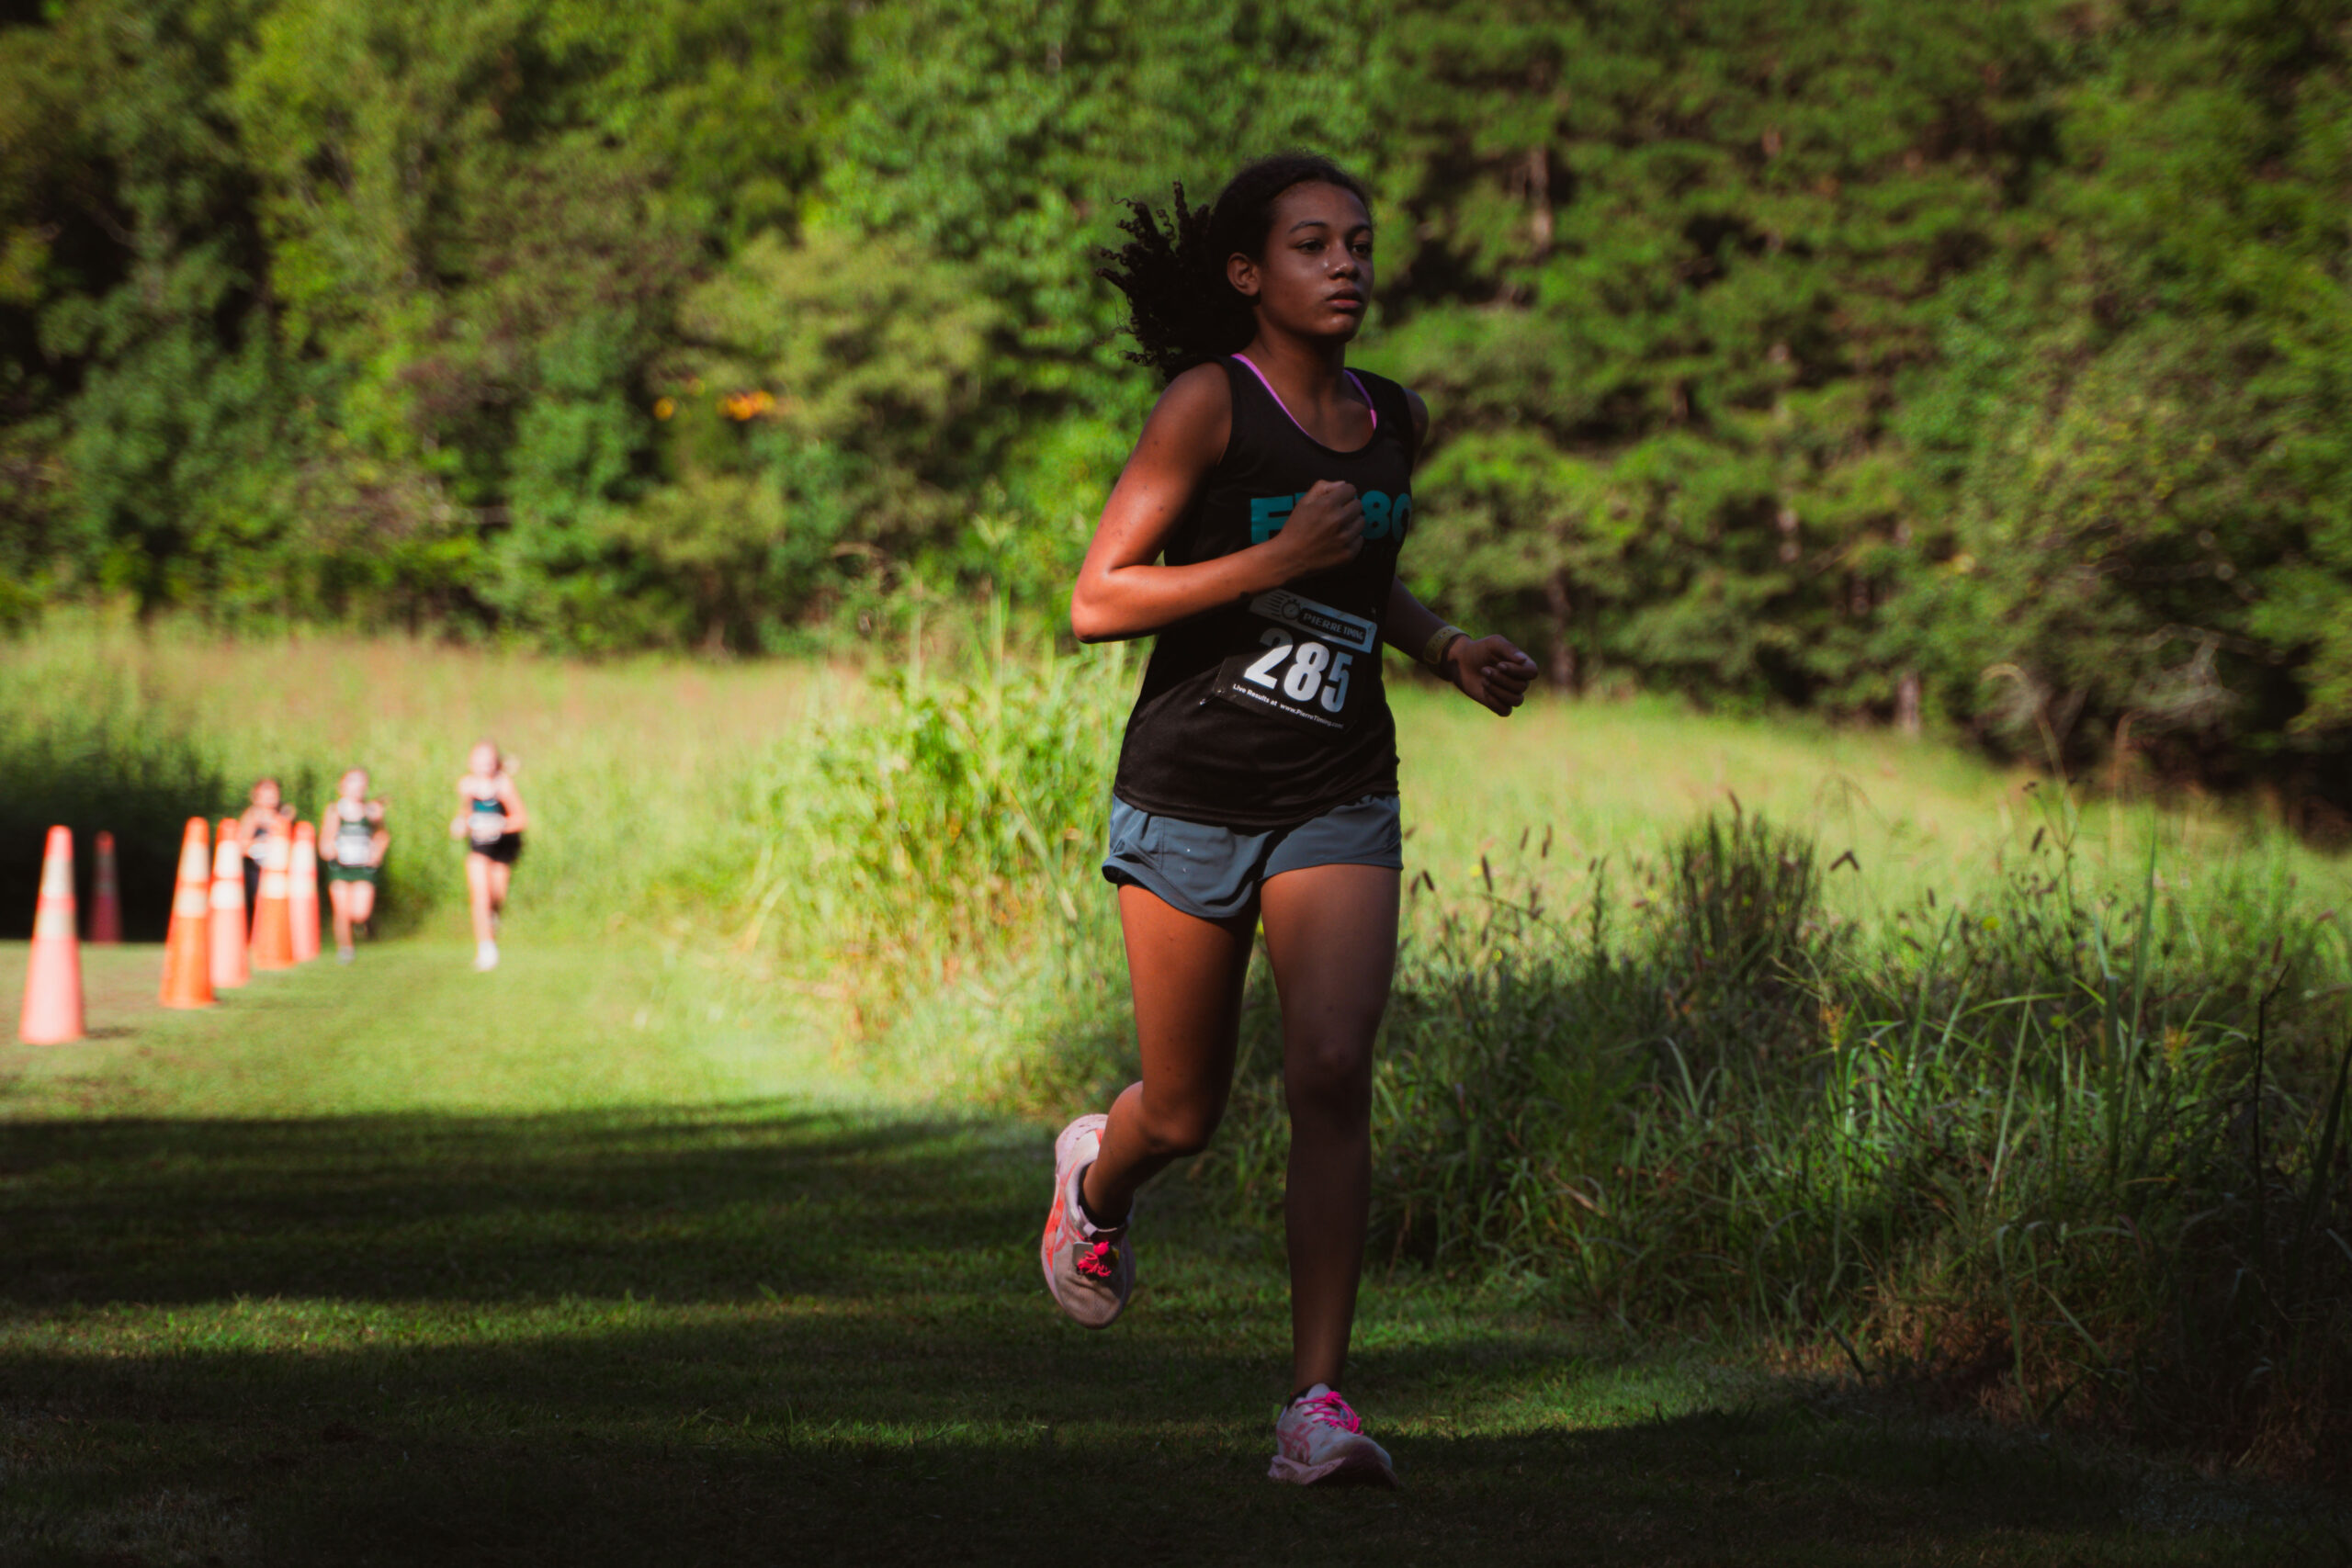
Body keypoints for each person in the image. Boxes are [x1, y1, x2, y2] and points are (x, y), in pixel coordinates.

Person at [1045, 153, 1537, 1487]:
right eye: (1313, 244)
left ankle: (1316, 1403)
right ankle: (1096, 1182)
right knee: (1183, 1113)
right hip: (1191, 792)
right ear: (1249, 274)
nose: (1346, 264)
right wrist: (1271, 559)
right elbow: (1097, 598)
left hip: (1337, 789)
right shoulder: (1210, 403)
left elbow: (1361, 576)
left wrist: (1443, 646)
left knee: (1329, 1068)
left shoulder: (1394, 416)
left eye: (1359, 242)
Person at [449, 740, 527, 972]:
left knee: (496, 897)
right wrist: (461, 823)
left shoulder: (504, 785)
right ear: (471, 762)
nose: (484, 764)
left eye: (489, 759)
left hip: (504, 846)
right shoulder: (467, 786)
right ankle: (486, 950)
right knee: (480, 896)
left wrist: (499, 826)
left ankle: (492, 920)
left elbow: (521, 819)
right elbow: (466, 811)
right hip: (480, 847)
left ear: (495, 762)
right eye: (479, 759)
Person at [322, 768, 389, 964]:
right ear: (342, 786)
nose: (357, 786)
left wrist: (377, 853)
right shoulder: (335, 810)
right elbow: (326, 837)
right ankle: (345, 949)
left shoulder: (371, 811)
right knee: (341, 910)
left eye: (361, 782)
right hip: (340, 866)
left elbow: (382, 835)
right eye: (352, 781)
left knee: (360, 912)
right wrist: (328, 850)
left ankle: (362, 925)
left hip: (363, 867)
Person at [235, 777, 296, 936]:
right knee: (259, 902)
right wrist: (259, 846)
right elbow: (241, 845)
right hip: (256, 868)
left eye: (274, 793)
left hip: (281, 870)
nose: (271, 797)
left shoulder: (285, 814)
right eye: (266, 793)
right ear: (256, 797)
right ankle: (258, 936)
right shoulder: (251, 816)